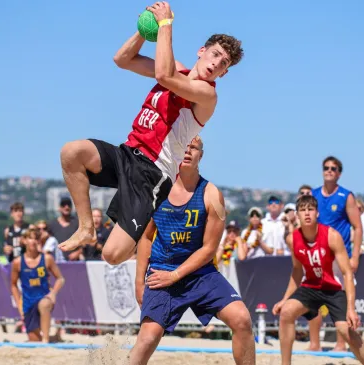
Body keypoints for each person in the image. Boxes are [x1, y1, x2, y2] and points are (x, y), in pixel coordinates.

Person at [57, 1, 244, 266]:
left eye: (223, 63)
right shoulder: (175, 67)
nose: (216, 63)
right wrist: (144, 32)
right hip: (128, 153)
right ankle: (86, 227)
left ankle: (155, 244)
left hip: (153, 173)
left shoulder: (207, 95)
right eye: (214, 54)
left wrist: (166, 24)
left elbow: (164, 76)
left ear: (224, 73)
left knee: (111, 255)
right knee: (72, 151)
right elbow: (122, 59)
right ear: (201, 51)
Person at [131, 137, 254, 365]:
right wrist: (140, 282)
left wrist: (176, 275)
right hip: (162, 270)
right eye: (183, 147)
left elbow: (209, 248)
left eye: (193, 148)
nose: (187, 152)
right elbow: (146, 237)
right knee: (148, 338)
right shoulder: (157, 190)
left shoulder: (212, 194)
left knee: (242, 320)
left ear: (201, 155)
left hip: (200, 273)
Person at [272, 195, 364, 365]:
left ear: (317, 213)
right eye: (303, 210)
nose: (307, 214)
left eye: (310, 209)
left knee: (345, 329)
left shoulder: (331, 236)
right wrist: (284, 299)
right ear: (297, 215)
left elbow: (348, 273)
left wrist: (351, 308)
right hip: (311, 285)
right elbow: (297, 271)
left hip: (335, 287)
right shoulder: (293, 239)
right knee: (287, 312)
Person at [310, 156, 362, 351]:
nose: (329, 170)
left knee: (341, 300)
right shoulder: (314, 195)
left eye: (333, 168)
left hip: (340, 255)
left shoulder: (346, 196)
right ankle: (314, 344)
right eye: (326, 167)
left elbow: (357, 226)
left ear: (339, 172)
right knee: (312, 298)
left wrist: (355, 255)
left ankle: (342, 344)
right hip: (317, 254)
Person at [11, 228, 65, 343]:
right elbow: (13, 285)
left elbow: (60, 279)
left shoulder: (46, 259)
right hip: (28, 302)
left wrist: (53, 293)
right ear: (24, 241)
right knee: (34, 340)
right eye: (30, 238)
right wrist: (18, 303)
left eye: (36, 238)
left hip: (44, 297)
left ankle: (46, 340)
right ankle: (53, 338)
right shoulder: (18, 262)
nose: (34, 241)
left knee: (44, 304)